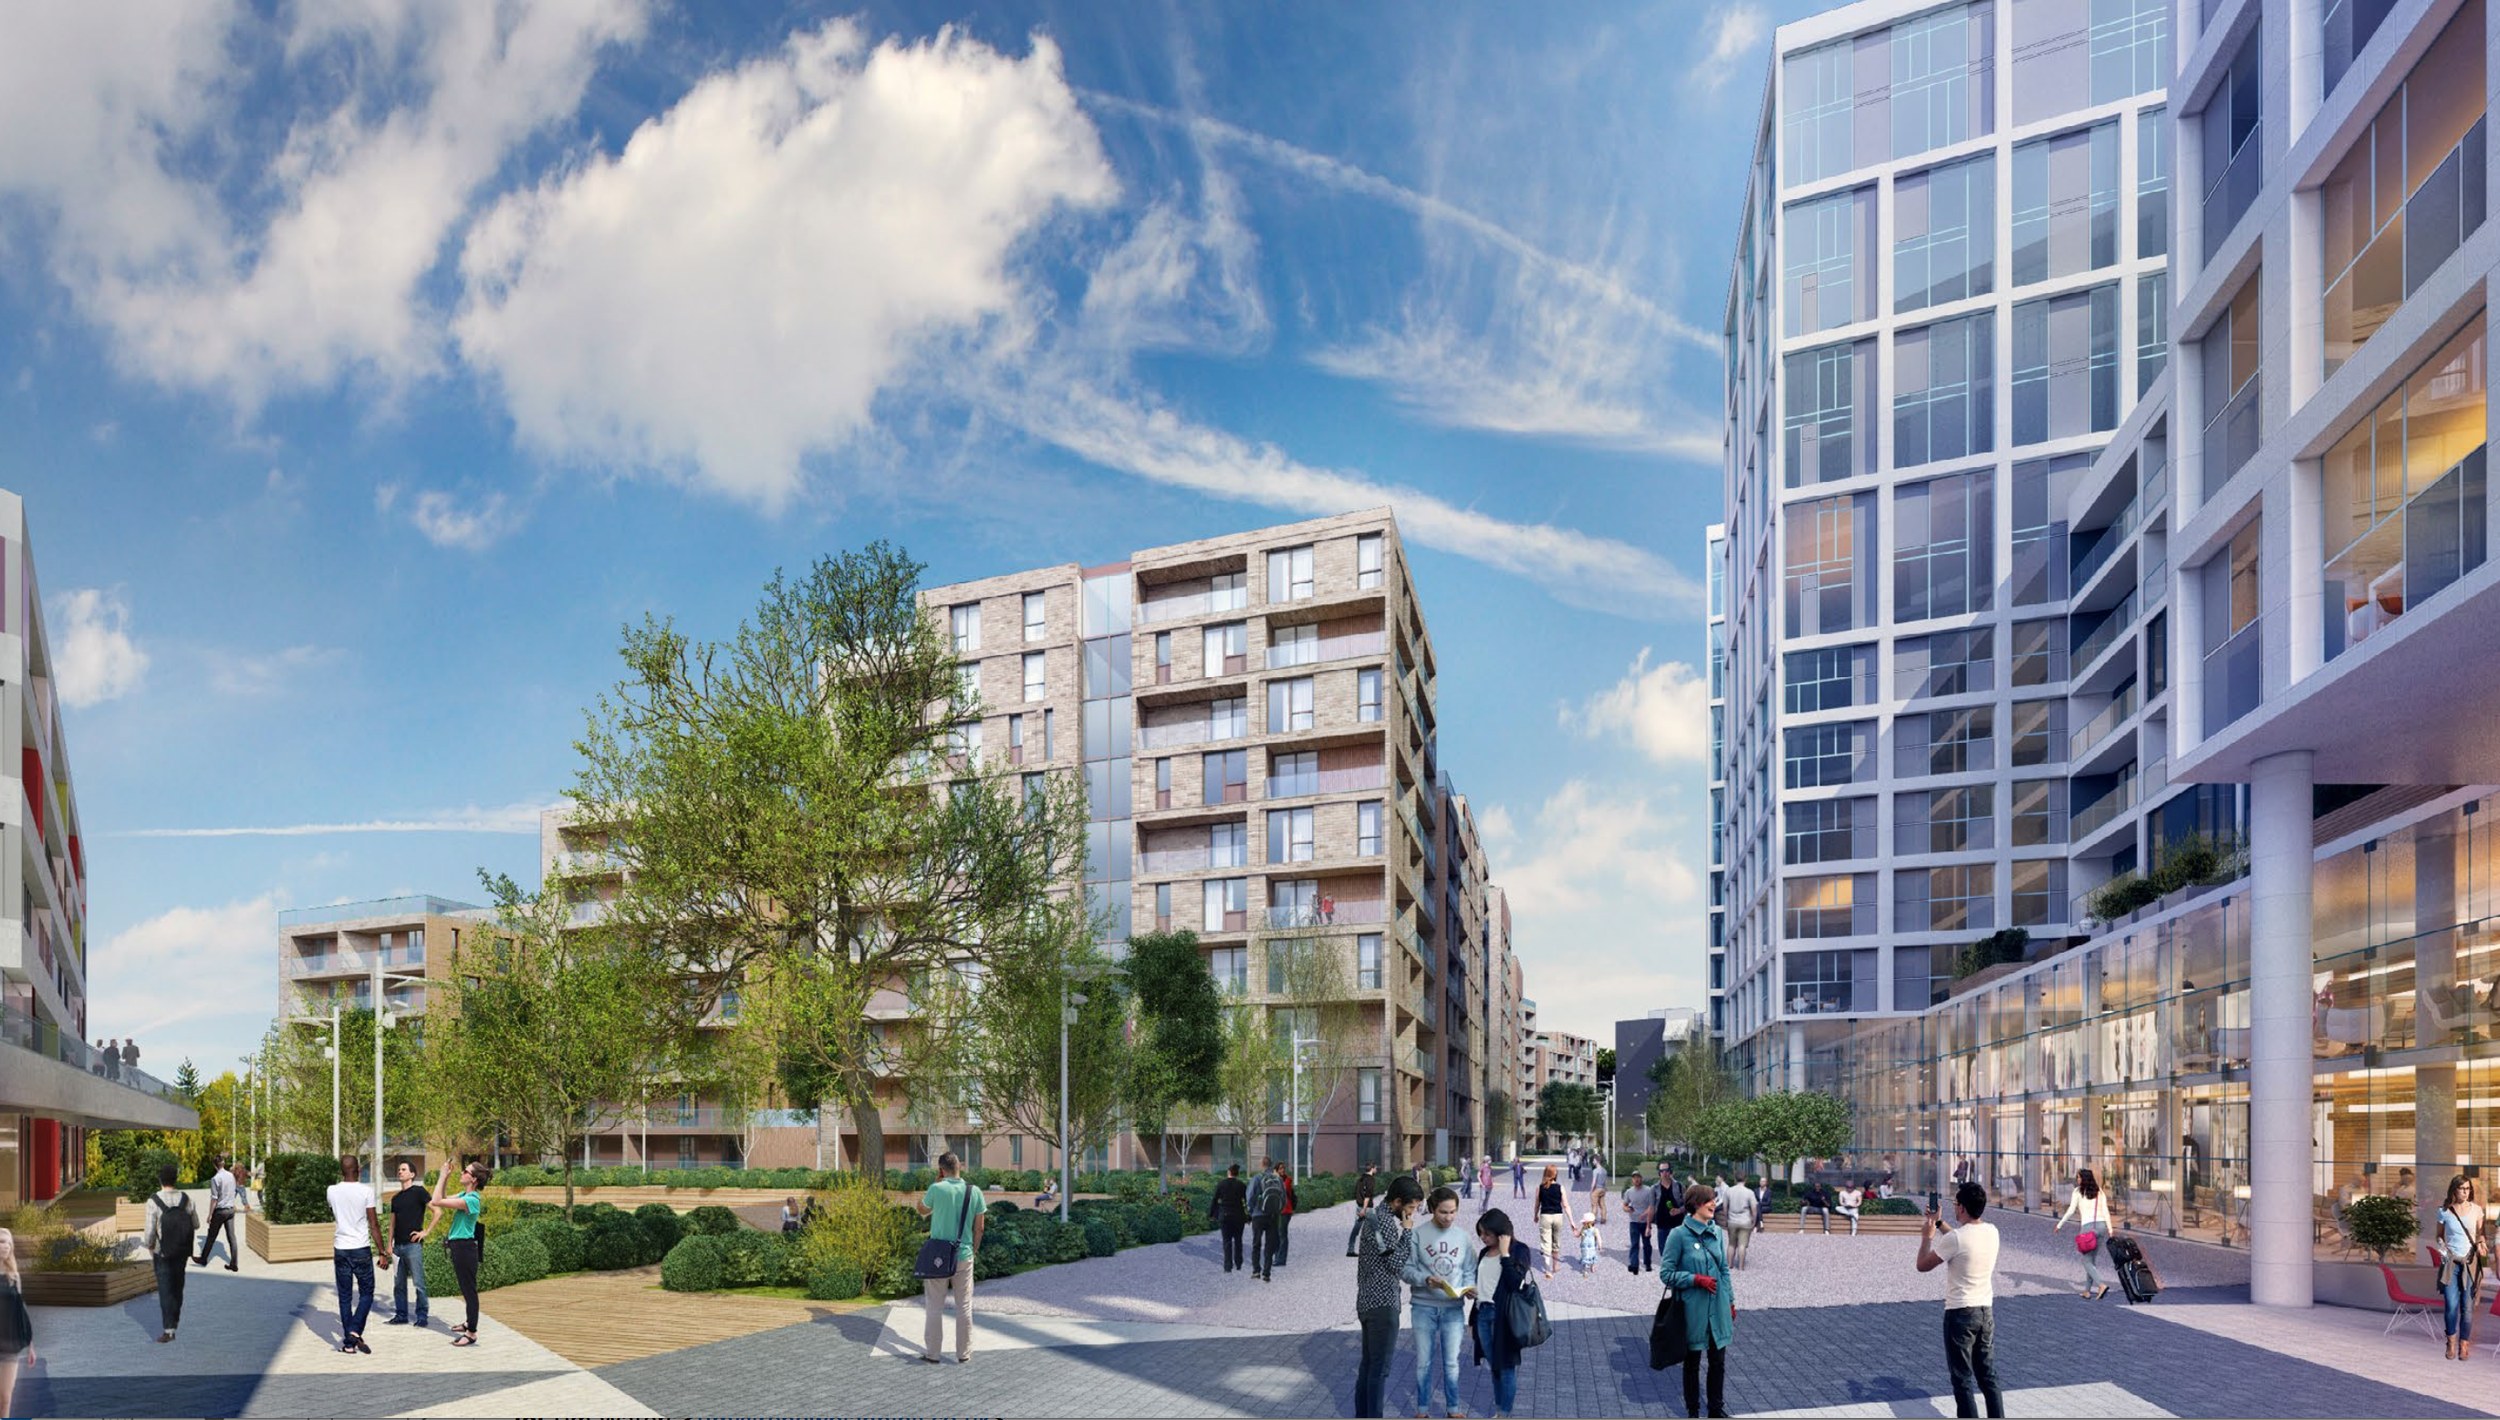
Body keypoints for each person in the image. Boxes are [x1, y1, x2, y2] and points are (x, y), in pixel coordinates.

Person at [1917, 1181, 2005, 1419]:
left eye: (1956, 1203)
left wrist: (1926, 1237)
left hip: (1960, 1314)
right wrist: (1938, 1223)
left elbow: (1922, 1265)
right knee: (1987, 1375)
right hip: (1985, 1312)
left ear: (1963, 1207)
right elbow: (1961, 1241)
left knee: (1962, 1378)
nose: (1954, 1207)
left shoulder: (1956, 1238)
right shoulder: (1992, 1231)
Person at [1351, 1175, 1425, 1418]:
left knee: (1368, 1367)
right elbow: (1395, 1263)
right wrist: (1407, 1232)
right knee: (1379, 1371)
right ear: (1397, 1202)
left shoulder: (1375, 1217)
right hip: (1382, 1304)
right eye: (1411, 1207)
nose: (1411, 1213)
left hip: (1368, 1301)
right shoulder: (1383, 1222)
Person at [1661, 1183, 1733, 1420]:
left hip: (1718, 1306)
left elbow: (1723, 1270)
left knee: (1718, 1362)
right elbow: (1666, 1274)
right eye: (1708, 1200)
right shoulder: (1678, 1235)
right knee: (1692, 1363)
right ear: (1695, 1205)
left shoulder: (1717, 1233)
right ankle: (1693, 1412)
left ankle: (1715, 1410)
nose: (1713, 1204)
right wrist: (1695, 1279)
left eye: (1713, 1199)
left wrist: (1730, 1301)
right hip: (1692, 1310)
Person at [1403, 1185, 1471, 1418]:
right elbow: (1406, 1269)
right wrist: (1425, 1279)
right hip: (1423, 1307)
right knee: (1424, 1362)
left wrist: (1469, 1288)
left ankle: (1453, 1409)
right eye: (1443, 1212)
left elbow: (1469, 1269)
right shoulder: (1417, 1235)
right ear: (1432, 1209)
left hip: (1453, 1309)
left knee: (1451, 1363)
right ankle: (1422, 1410)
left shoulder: (1463, 1237)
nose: (1448, 1217)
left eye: (1453, 1212)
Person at [913, 1151, 987, 1364]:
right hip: (963, 1255)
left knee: (934, 1306)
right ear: (960, 1167)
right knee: (964, 1306)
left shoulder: (936, 1189)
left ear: (941, 1170)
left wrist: (934, 1185)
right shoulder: (974, 1191)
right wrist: (973, 1251)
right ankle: (964, 1354)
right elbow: (980, 1228)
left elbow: (922, 1210)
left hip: (938, 1256)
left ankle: (933, 1354)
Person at [1469, 1208, 1530, 1419]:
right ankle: (1499, 1409)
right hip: (1482, 1314)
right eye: (1480, 1233)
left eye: (1487, 1233)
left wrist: (1505, 1254)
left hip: (1503, 1317)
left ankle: (1504, 1414)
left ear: (1501, 1232)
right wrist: (1472, 1320)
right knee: (1494, 1366)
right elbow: (1481, 1286)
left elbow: (1515, 1283)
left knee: (1506, 1368)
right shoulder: (1484, 1253)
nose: (1483, 1238)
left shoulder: (1519, 1250)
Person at [327, 1154, 389, 1356]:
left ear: (341, 1171)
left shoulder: (331, 1190)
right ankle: (354, 1331)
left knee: (345, 1297)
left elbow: (335, 1211)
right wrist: (382, 1252)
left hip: (341, 1249)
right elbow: (374, 1224)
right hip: (361, 1249)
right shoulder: (366, 1191)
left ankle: (349, 1344)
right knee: (367, 1293)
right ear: (359, 1170)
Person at [426, 1159, 489, 1346]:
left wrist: (442, 1175)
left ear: (474, 1179)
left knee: (469, 1291)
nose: (462, 1172)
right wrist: (445, 1178)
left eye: (465, 1171)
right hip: (459, 1247)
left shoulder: (472, 1200)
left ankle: (471, 1333)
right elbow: (442, 1196)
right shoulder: (464, 1195)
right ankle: (469, 1322)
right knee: (465, 1288)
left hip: (465, 1248)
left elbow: (436, 1201)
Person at [139, 1163, 195, 1344]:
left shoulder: (153, 1201)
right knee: (178, 1287)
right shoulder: (186, 1199)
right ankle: (174, 1320)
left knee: (165, 1290)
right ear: (175, 1179)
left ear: (160, 1179)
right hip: (182, 1251)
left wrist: (149, 1246)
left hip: (161, 1252)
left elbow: (149, 1232)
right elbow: (196, 1224)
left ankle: (168, 1330)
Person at [2436, 1175, 2487, 1361]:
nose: (2465, 1191)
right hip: (2451, 1264)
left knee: (2467, 1307)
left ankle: (2464, 1345)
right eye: (2462, 1188)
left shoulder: (2476, 1210)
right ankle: (2450, 1341)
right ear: (2454, 1190)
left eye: (2468, 1188)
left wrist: (2481, 1244)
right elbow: (2439, 1236)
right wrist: (2443, 1250)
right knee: (2451, 1305)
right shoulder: (2444, 1211)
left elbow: (2480, 1234)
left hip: (2469, 1264)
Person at [2050, 1168, 2113, 1300]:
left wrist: (2059, 1224)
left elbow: (2071, 1210)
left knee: (2086, 1261)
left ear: (2084, 1179)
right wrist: (2110, 1229)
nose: (2077, 1179)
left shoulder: (2077, 1192)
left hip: (2087, 1228)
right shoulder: (2100, 1191)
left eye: (2078, 1177)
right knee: (2091, 1260)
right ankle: (2087, 1291)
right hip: (2101, 1227)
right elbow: (2105, 1211)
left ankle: (2101, 1285)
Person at [385, 1161, 432, 1328]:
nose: (400, 1172)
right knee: (399, 1285)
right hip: (397, 1248)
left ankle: (422, 1316)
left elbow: (437, 1211)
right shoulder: (396, 1198)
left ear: (412, 1174)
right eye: (399, 1169)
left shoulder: (419, 1192)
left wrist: (425, 1232)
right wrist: (389, 1245)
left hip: (413, 1246)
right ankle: (401, 1315)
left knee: (418, 1283)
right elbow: (392, 1224)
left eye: (403, 1169)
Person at [0, 1226, 30, 1420]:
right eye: (2, 1242)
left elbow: (21, 1309)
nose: (6, 1246)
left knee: (5, 1398)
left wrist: (30, 1343)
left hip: (10, 1345)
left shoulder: (13, 1276)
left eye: (9, 1243)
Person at [194, 1155, 242, 1271]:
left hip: (220, 1211)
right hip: (230, 1210)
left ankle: (203, 1259)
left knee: (211, 1236)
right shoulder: (231, 1176)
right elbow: (234, 1190)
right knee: (232, 1237)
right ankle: (234, 1264)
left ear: (214, 1165)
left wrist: (210, 1214)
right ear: (223, 1164)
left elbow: (214, 1199)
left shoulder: (215, 1179)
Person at [1248, 1159, 1285, 1282]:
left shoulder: (1257, 1178)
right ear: (1271, 1165)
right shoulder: (1278, 1179)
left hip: (1258, 1215)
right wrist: (1277, 1211)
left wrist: (1251, 1212)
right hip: (1272, 1216)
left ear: (1262, 1165)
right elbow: (1283, 1198)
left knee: (1256, 1244)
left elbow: (1250, 1196)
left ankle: (1256, 1271)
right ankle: (1267, 1273)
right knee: (1269, 1244)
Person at [1211, 1164, 1249, 1273]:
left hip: (1225, 1215)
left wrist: (1212, 1214)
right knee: (1238, 1240)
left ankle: (1228, 1266)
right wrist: (1249, 1216)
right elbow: (1247, 1201)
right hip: (1238, 1216)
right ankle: (1238, 1263)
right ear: (1237, 1173)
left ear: (1228, 1172)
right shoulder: (1242, 1185)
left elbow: (1214, 1200)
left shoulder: (1221, 1184)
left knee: (1226, 1241)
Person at [1534, 1165, 1567, 1280]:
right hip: (1558, 1216)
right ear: (1555, 1174)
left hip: (1545, 1216)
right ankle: (1555, 1266)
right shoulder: (1560, 1187)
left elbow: (1537, 1204)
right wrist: (1572, 1221)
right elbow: (1565, 1205)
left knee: (1546, 1243)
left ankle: (1548, 1270)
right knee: (1556, 1241)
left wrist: (1535, 1215)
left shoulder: (1540, 1187)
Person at [1719, 1175, 1758, 1270]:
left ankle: (1729, 1265)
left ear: (1735, 1179)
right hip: (1745, 1221)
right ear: (1746, 1179)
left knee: (1731, 1244)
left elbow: (1725, 1207)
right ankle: (1741, 1266)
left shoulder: (1729, 1191)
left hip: (1732, 1220)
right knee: (1742, 1245)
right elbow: (1754, 1209)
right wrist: (1754, 1221)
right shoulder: (1749, 1192)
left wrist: (1726, 1219)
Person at [1623, 1170, 1658, 1274]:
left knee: (1646, 1244)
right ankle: (1634, 1265)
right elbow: (1624, 1205)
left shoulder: (1648, 1190)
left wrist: (1646, 1215)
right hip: (1633, 1221)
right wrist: (1627, 1209)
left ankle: (1648, 1263)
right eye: (1634, 1178)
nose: (1636, 1179)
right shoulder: (1629, 1192)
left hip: (1646, 1222)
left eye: (1638, 1177)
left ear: (1641, 1178)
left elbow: (1652, 1205)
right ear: (1632, 1180)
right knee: (1634, 1244)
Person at [1273, 1165, 1298, 1268]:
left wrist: (1276, 1177)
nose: (1283, 1170)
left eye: (1283, 1168)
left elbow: (1282, 1189)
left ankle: (1281, 1259)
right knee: (1275, 1234)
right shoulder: (1274, 1180)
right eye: (1280, 1168)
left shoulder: (1288, 1180)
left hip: (1285, 1211)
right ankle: (1277, 1257)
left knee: (1282, 1234)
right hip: (1275, 1211)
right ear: (1276, 1170)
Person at [1574, 1209, 1601, 1276]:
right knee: (1585, 1257)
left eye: (1584, 1223)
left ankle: (1592, 1265)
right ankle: (1585, 1269)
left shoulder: (1595, 1230)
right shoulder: (1583, 1229)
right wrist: (1575, 1232)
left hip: (1592, 1247)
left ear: (1589, 1223)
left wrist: (1600, 1244)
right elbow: (1578, 1235)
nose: (1583, 1224)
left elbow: (1598, 1237)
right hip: (1585, 1248)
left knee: (1592, 1256)